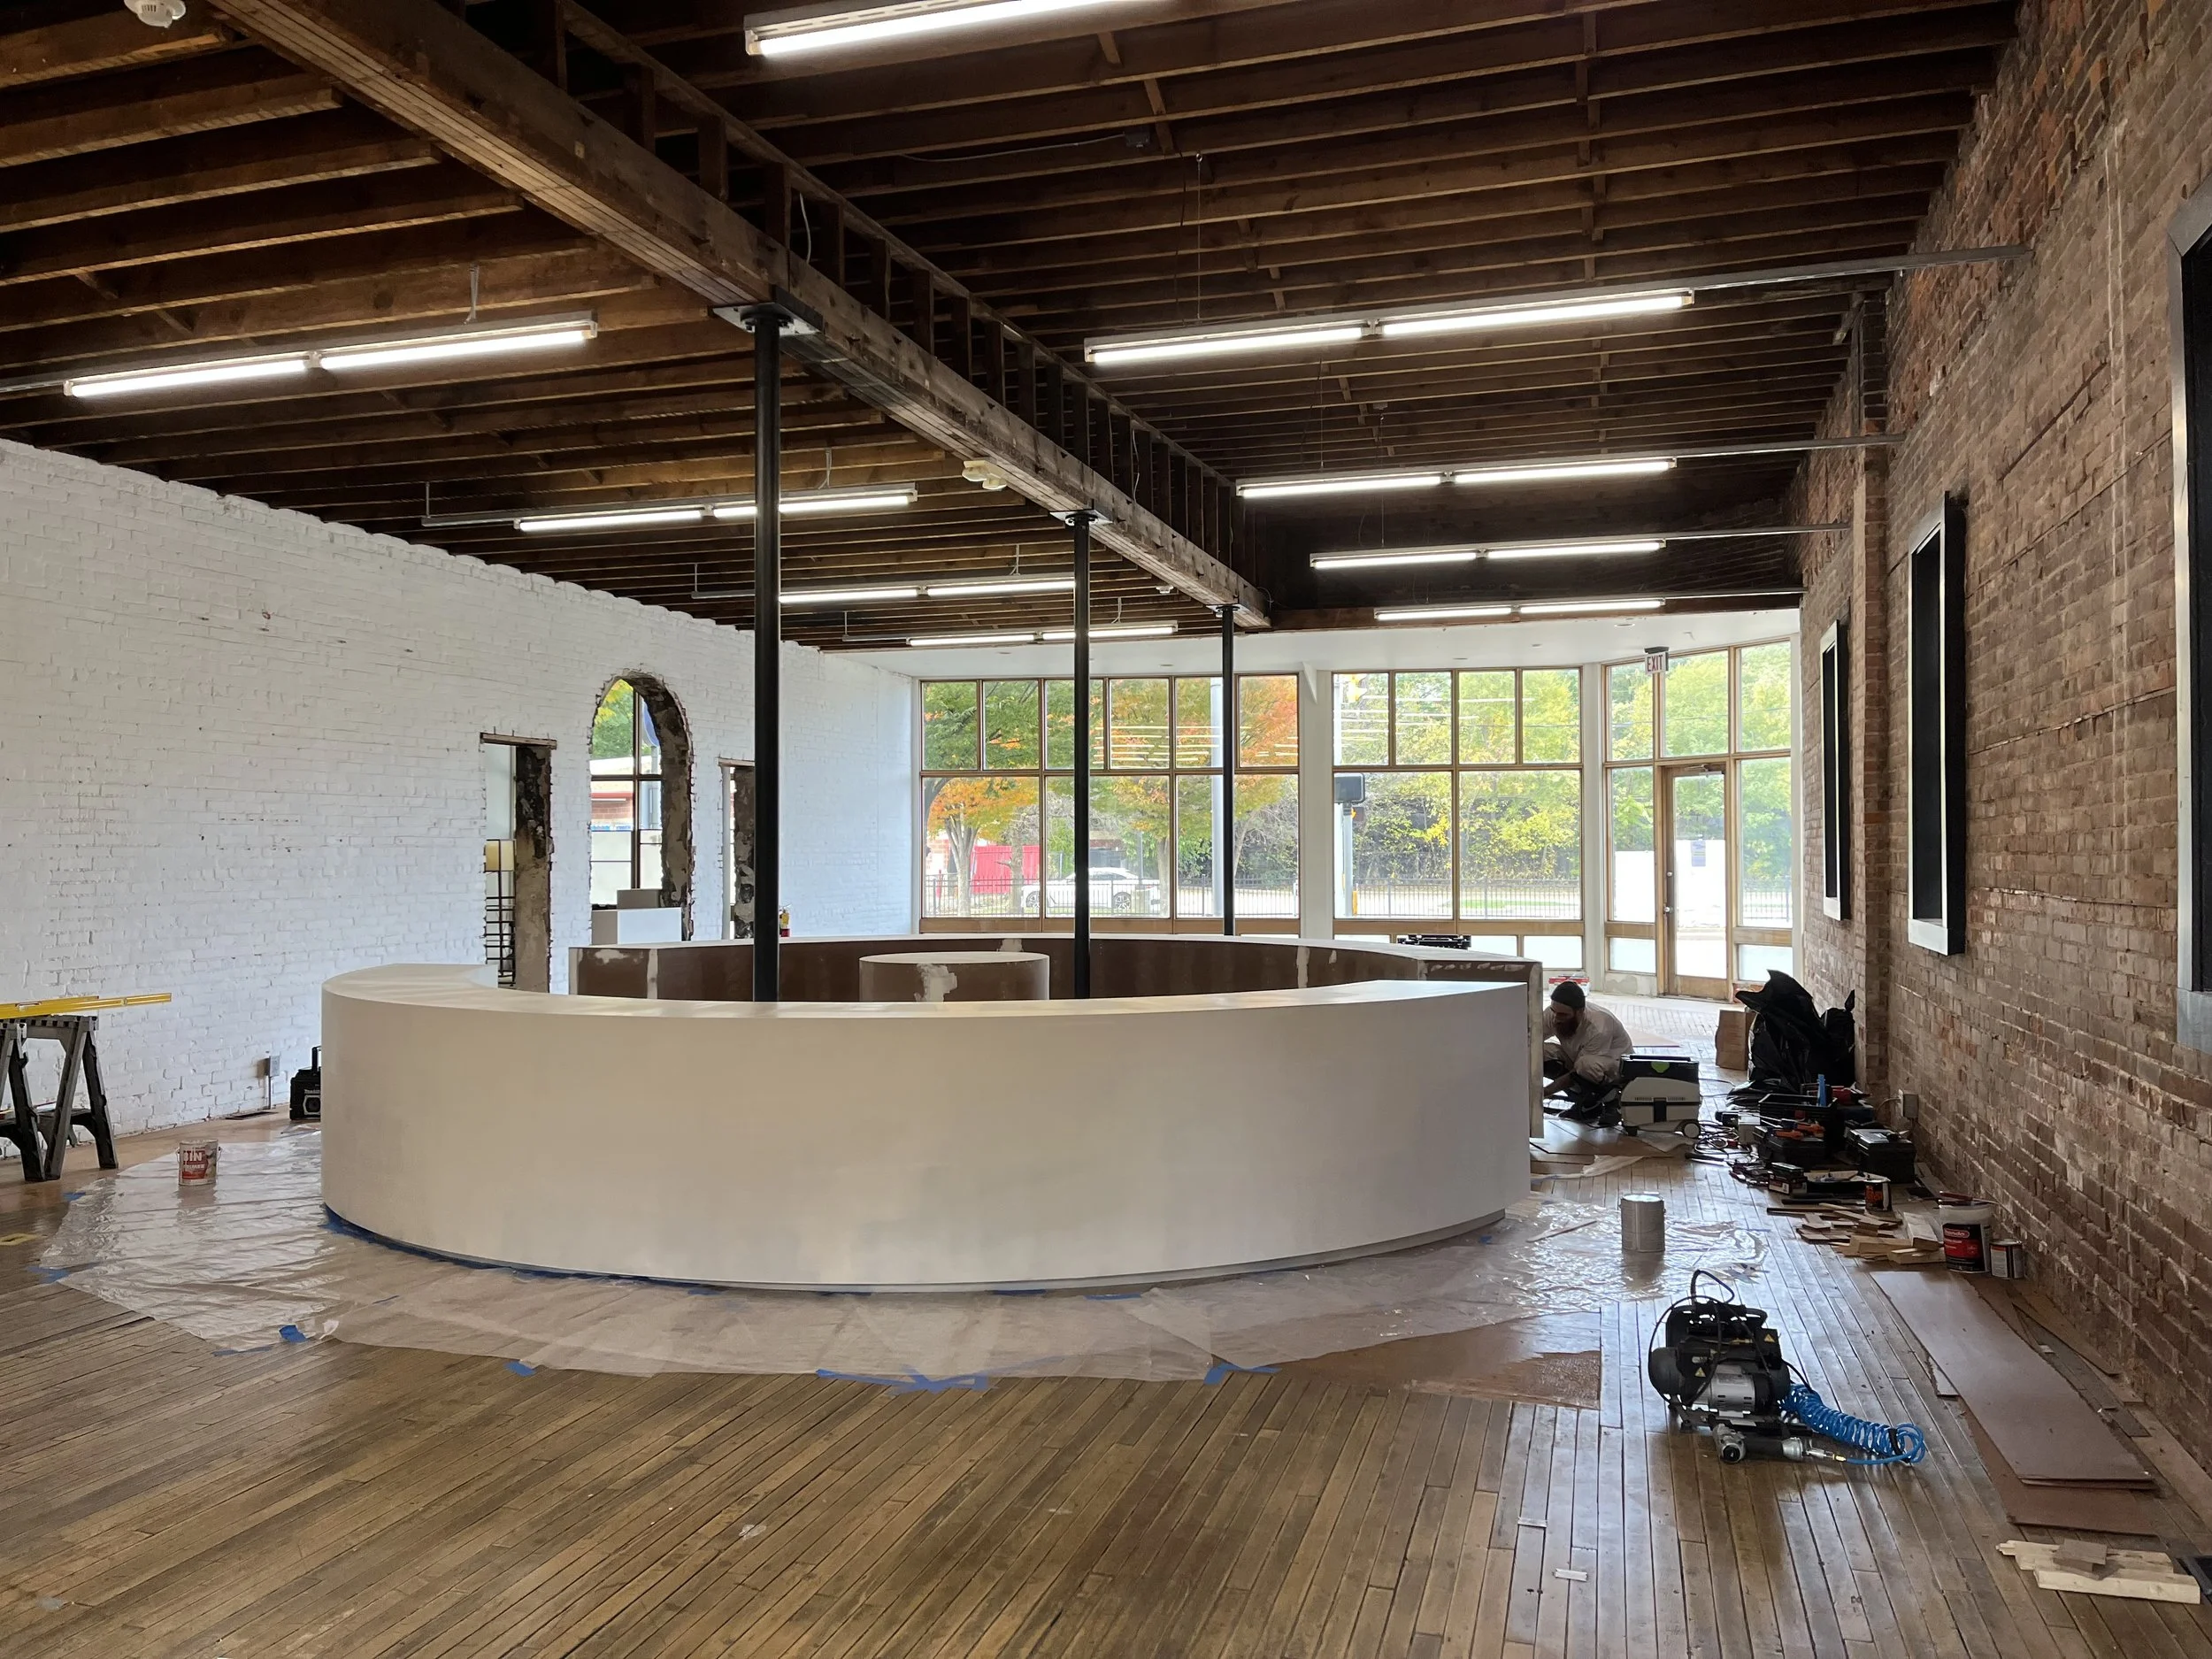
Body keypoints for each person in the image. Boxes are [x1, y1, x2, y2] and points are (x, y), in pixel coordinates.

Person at [1541, 980, 1632, 1123]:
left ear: (1579, 1012)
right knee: (1539, 1052)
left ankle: (1612, 1102)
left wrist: (1545, 1092)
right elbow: (1529, 1040)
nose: (1557, 1019)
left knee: (1586, 1065)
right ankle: (1587, 1103)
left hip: (1613, 1067)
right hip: (1578, 1059)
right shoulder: (1552, 1014)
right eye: (1555, 1012)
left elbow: (1578, 1073)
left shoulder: (1599, 1026)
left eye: (1563, 1015)